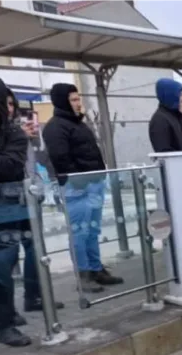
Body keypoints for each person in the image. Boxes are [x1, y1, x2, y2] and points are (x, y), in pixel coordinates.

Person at [43, 83, 123, 292]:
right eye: (74, 99)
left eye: (78, 99)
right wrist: (80, 180)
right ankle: (84, 274)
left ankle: (96, 269)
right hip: (76, 187)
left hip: (93, 183)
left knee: (92, 231)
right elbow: (60, 157)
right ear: (63, 101)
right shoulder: (55, 127)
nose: (79, 103)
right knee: (79, 232)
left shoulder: (78, 124)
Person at [5, 89, 62, 324]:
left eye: (11, 103)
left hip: (30, 195)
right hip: (6, 200)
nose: (9, 108)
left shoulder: (20, 129)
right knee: (6, 255)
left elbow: (39, 156)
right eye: (4, 103)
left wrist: (33, 137)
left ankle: (35, 296)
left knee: (35, 249)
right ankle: (6, 311)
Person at [0, 76, 33, 346]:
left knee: (1, 266)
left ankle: (4, 324)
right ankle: (8, 313)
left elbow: (10, 167)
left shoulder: (14, 134)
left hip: (5, 210)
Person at [148, 78, 182, 153]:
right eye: (180, 94)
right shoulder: (160, 120)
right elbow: (165, 153)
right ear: (171, 95)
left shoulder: (172, 117)